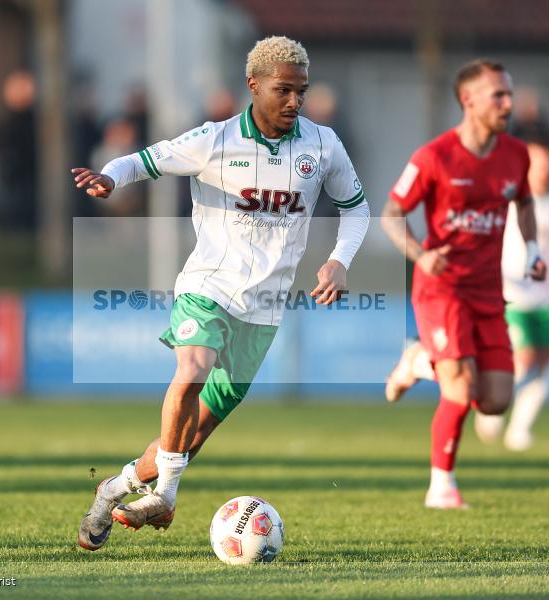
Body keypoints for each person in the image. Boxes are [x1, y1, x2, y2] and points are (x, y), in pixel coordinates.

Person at [71, 36, 370, 550]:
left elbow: (357, 208)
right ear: (253, 86)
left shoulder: (323, 145)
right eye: (284, 90)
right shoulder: (215, 140)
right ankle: (165, 495)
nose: (295, 101)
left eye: (301, 91)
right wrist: (110, 179)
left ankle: (114, 489)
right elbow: (145, 160)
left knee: (187, 438)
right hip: (208, 287)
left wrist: (339, 261)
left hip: (265, 309)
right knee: (191, 370)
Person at [381, 59, 546, 509]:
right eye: (499, 95)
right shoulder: (434, 156)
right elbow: (392, 213)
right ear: (468, 100)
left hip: (489, 292)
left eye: (509, 94)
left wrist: (533, 251)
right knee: (459, 386)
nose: (508, 103)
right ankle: (442, 487)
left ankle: (418, 362)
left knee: (494, 402)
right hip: (441, 286)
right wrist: (421, 254)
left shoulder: (516, 153)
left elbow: (526, 203)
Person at [472, 127, 549, 451]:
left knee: (545, 364)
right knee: (523, 357)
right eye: (537, 160)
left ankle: (520, 428)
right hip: (511, 291)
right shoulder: (505, 195)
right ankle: (490, 403)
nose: (544, 167)